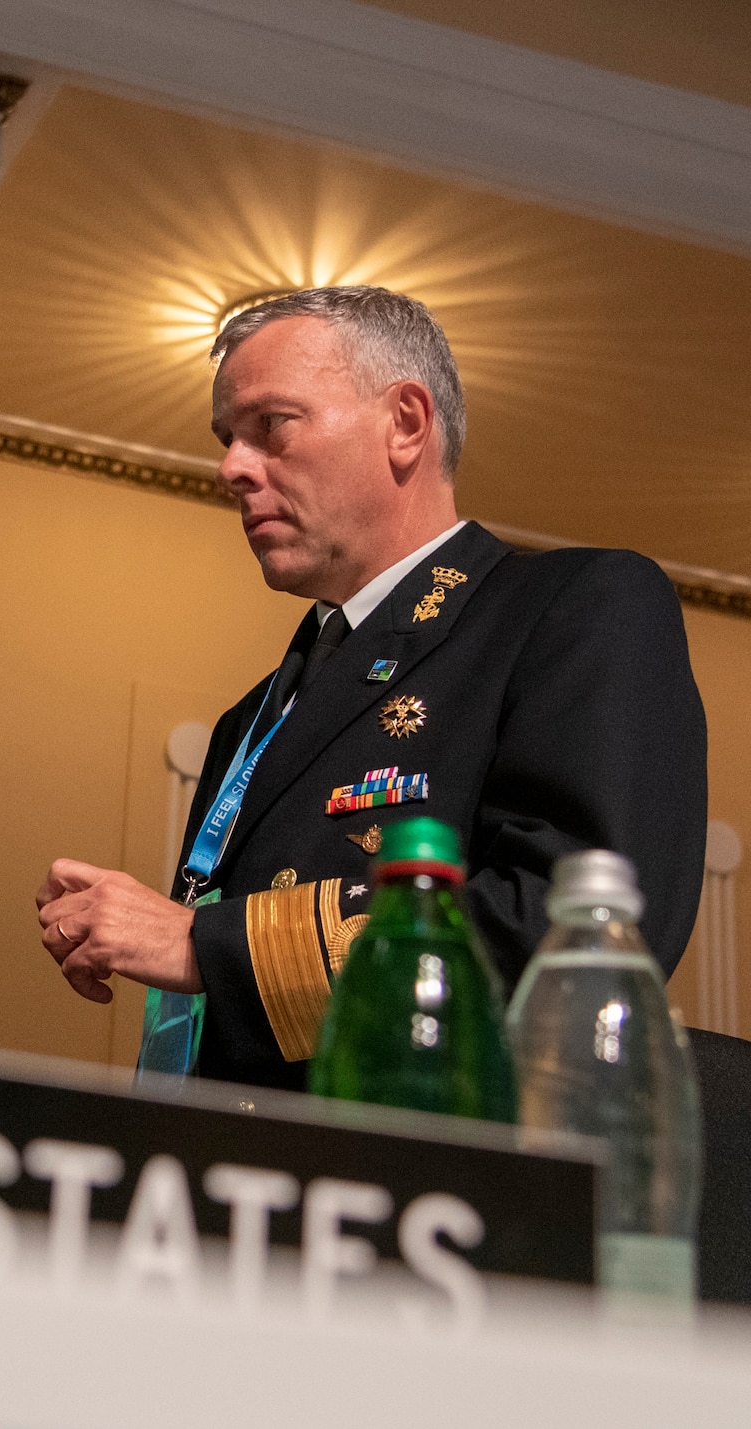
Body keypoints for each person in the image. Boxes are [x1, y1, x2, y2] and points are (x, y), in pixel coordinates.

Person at [36, 286, 707, 1090]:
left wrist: (203, 945)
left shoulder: (575, 605)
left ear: (406, 423)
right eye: (227, 439)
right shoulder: (250, 717)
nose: (230, 468)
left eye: (271, 426)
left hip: (428, 1179)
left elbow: (572, 929)